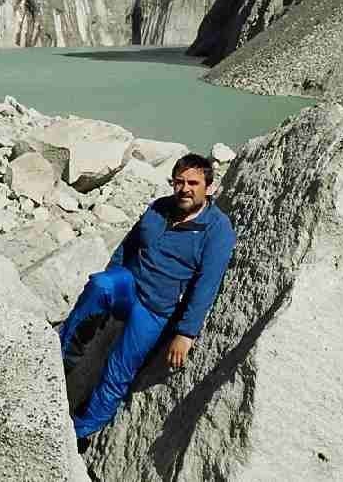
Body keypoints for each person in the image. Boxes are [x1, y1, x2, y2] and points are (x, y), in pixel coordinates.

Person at [58, 152, 236, 445]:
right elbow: (128, 245)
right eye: (179, 182)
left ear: (209, 187)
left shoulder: (217, 230)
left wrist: (185, 334)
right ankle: (64, 355)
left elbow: (207, 285)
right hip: (129, 285)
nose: (185, 189)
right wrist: (114, 275)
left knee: (119, 370)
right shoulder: (160, 207)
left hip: (155, 308)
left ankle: (78, 432)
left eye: (193, 183)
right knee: (101, 285)